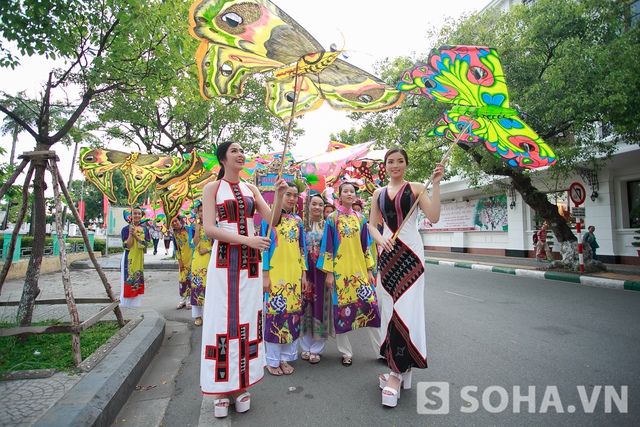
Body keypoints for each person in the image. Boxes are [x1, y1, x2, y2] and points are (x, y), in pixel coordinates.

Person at [200, 141, 287, 418]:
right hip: (224, 262)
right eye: (234, 151)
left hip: (250, 266)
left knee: (248, 319)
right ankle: (221, 388)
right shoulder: (212, 188)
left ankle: (241, 385)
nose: (240, 154)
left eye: (242, 151)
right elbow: (210, 229)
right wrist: (247, 239)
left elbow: (272, 220)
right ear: (223, 158)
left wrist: (280, 196)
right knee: (221, 319)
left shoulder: (252, 188)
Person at [368, 147, 444, 408]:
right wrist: (380, 238)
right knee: (389, 311)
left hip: (411, 256)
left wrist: (435, 184)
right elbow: (371, 225)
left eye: (400, 161)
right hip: (388, 257)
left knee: (406, 311)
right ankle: (402, 368)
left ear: (406, 165)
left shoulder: (416, 188)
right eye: (391, 161)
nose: (395, 165)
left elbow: (433, 216)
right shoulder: (378, 194)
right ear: (385, 166)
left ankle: (395, 374)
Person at [317, 181, 380, 367]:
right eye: (345, 191)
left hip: (360, 271)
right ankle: (346, 353)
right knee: (341, 314)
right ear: (339, 195)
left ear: (355, 196)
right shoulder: (332, 219)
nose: (349, 194)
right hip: (340, 274)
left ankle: (380, 351)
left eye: (352, 191)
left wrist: (369, 270)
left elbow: (365, 246)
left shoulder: (361, 219)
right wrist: (329, 273)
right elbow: (328, 246)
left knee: (371, 308)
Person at [262, 182, 309, 376]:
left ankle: (286, 358)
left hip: (294, 275)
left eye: (294, 195)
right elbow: (263, 248)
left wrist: (304, 273)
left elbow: (301, 249)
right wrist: (265, 274)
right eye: (288, 194)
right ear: (280, 195)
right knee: (275, 316)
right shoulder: (270, 219)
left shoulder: (297, 220)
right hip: (275, 274)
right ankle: (272, 360)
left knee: (292, 316)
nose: (291, 198)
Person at [300, 193, 332, 365]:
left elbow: (331, 249)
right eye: (314, 204)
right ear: (308, 205)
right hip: (304, 271)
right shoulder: (300, 225)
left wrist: (329, 272)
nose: (317, 207)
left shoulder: (328, 226)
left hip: (320, 272)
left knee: (320, 306)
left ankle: (317, 349)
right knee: (304, 304)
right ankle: (305, 346)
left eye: (320, 205)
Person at [120, 206, 150, 307]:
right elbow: (127, 246)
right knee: (128, 281)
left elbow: (145, 244)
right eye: (135, 213)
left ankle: (136, 307)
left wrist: (136, 235)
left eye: (139, 214)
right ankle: (124, 307)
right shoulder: (125, 229)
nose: (137, 215)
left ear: (141, 216)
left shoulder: (145, 230)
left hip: (139, 258)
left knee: (137, 282)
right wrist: (130, 234)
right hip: (129, 258)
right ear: (131, 215)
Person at [190, 201, 212, 326]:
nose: (203, 213)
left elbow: (218, 244)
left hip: (210, 258)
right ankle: (197, 316)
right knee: (197, 286)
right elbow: (192, 244)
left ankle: (209, 314)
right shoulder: (193, 227)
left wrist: (208, 249)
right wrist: (197, 231)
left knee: (210, 286)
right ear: (198, 213)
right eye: (201, 211)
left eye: (205, 210)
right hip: (198, 260)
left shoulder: (215, 226)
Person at [172, 216, 192, 310]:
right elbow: (176, 249)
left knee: (190, 280)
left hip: (192, 258)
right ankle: (183, 300)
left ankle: (190, 300)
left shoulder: (188, 229)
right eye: (172, 222)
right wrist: (179, 260)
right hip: (183, 259)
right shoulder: (174, 234)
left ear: (180, 220)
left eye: (175, 221)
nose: (175, 223)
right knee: (182, 280)